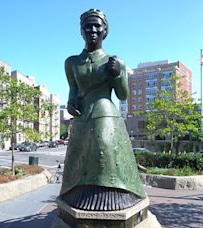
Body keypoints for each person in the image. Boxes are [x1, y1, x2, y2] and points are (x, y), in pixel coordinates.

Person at [59, 9, 146, 211]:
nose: (92, 30)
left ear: (105, 30)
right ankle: (78, 197)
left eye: (97, 25)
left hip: (105, 114)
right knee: (78, 162)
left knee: (105, 154)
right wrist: (71, 104)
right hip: (81, 120)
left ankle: (112, 200)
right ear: (81, 31)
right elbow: (73, 91)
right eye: (87, 26)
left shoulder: (114, 61)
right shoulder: (71, 62)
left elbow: (122, 95)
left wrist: (118, 74)